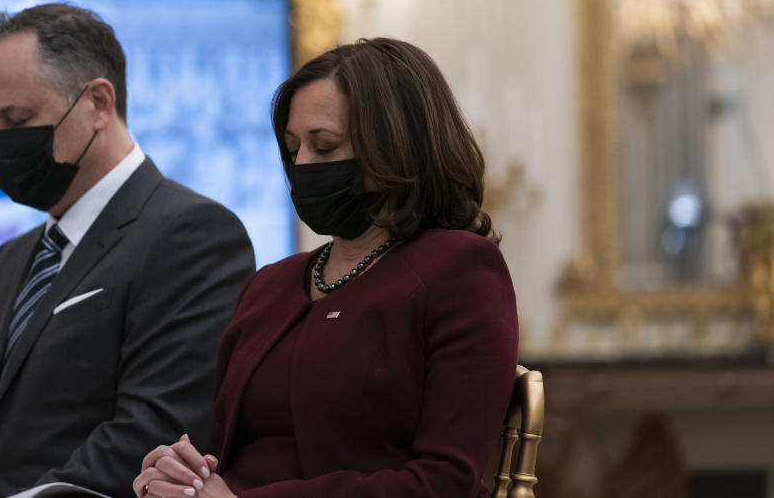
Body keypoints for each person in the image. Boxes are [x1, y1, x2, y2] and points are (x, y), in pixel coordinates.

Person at [0, 3, 256, 498]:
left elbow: (151, 434)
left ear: (99, 104)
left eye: (17, 119)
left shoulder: (193, 235)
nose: (0, 144)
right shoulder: (4, 263)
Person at [133, 37, 519, 498]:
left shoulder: (460, 270)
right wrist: (181, 478)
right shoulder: (269, 285)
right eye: (293, 148)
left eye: (325, 146)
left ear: (397, 150)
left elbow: (444, 482)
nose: (301, 166)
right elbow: (222, 456)